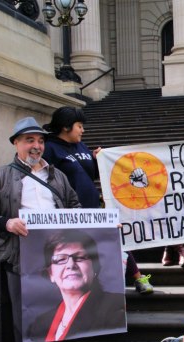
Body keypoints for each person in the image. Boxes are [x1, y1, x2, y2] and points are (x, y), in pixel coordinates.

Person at [0, 117, 107, 342]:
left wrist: (87, 223)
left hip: (59, 257)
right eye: (29, 140)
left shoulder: (57, 175)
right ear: (16, 143)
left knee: (67, 315)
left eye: (40, 140)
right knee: (25, 318)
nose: (36, 146)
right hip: (20, 257)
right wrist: (6, 223)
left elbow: (74, 205)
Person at [42, 106, 154, 293]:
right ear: (65, 127)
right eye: (79, 126)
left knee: (114, 238)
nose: (83, 130)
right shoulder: (50, 149)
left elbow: (90, 173)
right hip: (71, 213)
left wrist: (97, 160)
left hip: (93, 206)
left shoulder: (81, 146)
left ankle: (138, 278)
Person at [27, 230, 126, 342]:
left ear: (95, 268)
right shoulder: (40, 323)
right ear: (51, 274)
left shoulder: (115, 306)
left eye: (80, 257)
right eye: (60, 259)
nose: (70, 265)